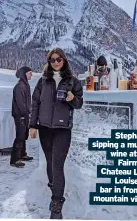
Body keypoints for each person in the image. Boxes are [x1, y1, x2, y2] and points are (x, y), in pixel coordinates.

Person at [29, 48, 83, 219]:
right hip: (45, 128)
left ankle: (56, 204)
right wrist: (33, 125)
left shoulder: (72, 81)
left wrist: (72, 99)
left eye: (59, 59)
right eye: (52, 60)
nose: (56, 62)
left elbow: (79, 103)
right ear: (49, 62)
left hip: (62, 130)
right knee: (49, 161)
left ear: (64, 60)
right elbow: (35, 102)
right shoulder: (43, 80)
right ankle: (54, 186)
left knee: (57, 165)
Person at [10, 66, 33, 168]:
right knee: (20, 136)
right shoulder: (20, 86)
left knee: (24, 135)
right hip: (20, 116)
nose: (31, 75)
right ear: (24, 74)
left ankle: (22, 154)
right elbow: (20, 103)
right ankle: (14, 159)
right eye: (29, 73)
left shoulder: (25, 85)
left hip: (24, 115)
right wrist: (25, 114)